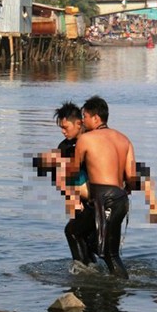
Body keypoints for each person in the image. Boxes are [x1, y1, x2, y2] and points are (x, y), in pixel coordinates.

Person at [62, 95, 157, 279]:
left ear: (95, 117)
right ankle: (88, 273)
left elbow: (72, 173)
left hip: (103, 199)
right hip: (120, 199)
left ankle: (117, 287)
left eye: (85, 117)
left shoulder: (86, 139)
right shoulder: (124, 139)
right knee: (76, 232)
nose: (83, 121)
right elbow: (131, 177)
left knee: (108, 253)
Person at [53, 102, 97, 268]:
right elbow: (61, 177)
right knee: (76, 233)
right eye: (61, 128)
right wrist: (72, 201)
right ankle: (85, 269)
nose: (63, 131)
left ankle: (87, 271)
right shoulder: (64, 147)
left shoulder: (94, 140)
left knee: (91, 241)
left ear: (79, 123)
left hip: (99, 198)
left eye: (65, 127)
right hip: (79, 199)